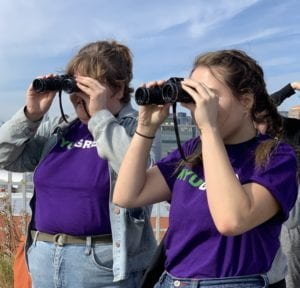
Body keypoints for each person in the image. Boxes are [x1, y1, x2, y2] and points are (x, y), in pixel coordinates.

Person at [113, 49, 298, 287]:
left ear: (246, 101)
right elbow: (127, 195)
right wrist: (145, 128)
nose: (198, 107)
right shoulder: (193, 150)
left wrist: (209, 129)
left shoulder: (277, 156)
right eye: (192, 96)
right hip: (172, 280)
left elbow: (231, 220)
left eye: (207, 97)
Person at [0, 40, 159, 288]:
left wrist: (99, 118)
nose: (76, 94)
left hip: (104, 266)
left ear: (117, 89)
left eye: (87, 86)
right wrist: (30, 114)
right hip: (44, 257)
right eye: (73, 84)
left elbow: (142, 176)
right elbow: (3, 156)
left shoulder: (139, 128)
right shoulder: (61, 128)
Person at [258, 82, 300, 288]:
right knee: (289, 252)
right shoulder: (279, 127)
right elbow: (264, 105)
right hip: (286, 196)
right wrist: (291, 87)